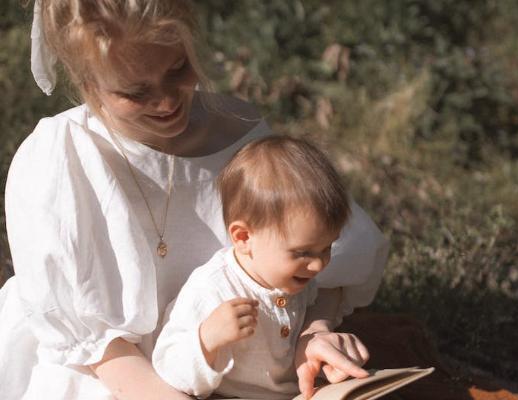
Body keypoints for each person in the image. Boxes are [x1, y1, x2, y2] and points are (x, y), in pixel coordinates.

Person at [0, 1, 388, 399]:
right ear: (87, 81)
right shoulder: (62, 162)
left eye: (177, 69)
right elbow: (99, 349)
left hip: (244, 369)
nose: (167, 101)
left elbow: (316, 262)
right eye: (136, 92)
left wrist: (311, 334)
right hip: (121, 377)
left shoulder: (238, 135)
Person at [152, 135, 370, 399]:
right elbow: (168, 367)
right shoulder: (212, 289)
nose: (318, 264)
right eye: (303, 252)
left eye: (327, 248)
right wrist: (207, 339)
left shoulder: (294, 278)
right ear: (243, 237)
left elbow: (313, 308)